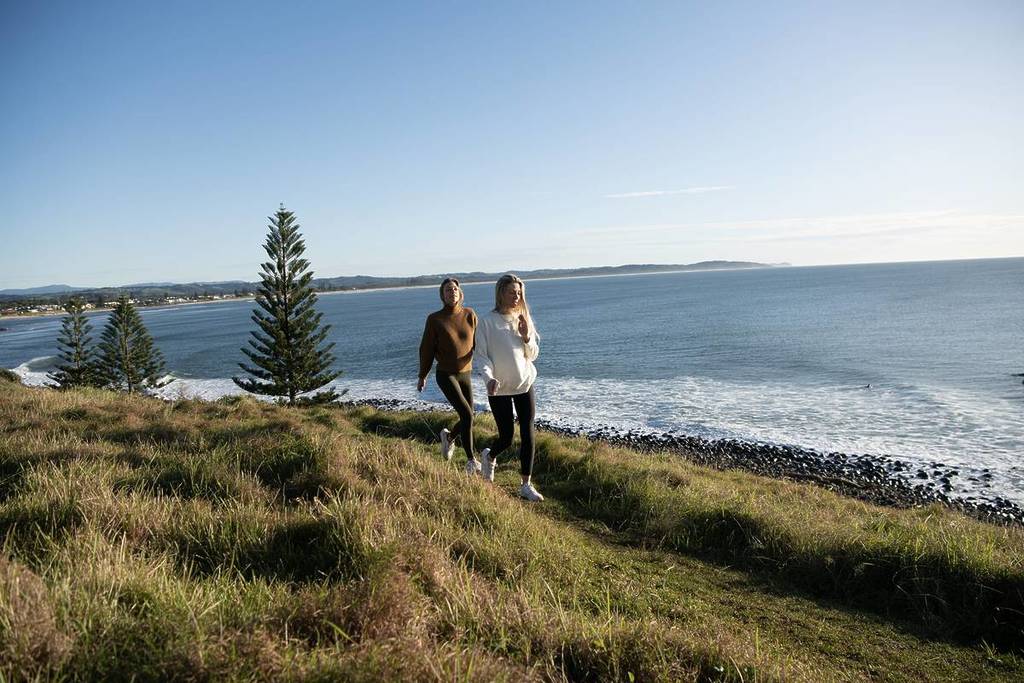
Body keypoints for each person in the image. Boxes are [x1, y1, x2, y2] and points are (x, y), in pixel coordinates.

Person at [474, 273, 544, 501]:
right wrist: (489, 378)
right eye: (512, 292)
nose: (516, 297)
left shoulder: (523, 319)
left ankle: (526, 484)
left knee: (528, 432)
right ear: (500, 293)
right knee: (506, 437)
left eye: (519, 293)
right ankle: (489, 456)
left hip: (524, 383)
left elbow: (532, 355)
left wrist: (526, 337)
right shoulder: (486, 322)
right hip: (499, 387)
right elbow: (481, 357)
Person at [418, 278, 480, 474]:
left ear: (460, 292)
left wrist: (491, 365)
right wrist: (423, 375)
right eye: (447, 290)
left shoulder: (470, 314)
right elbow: (426, 349)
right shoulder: (435, 319)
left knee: (469, 415)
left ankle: (449, 437)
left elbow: (479, 342)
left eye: (454, 289)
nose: (451, 292)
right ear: (442, 295)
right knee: (467, 415)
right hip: (446, 374)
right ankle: (471, 460)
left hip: (466, 373)